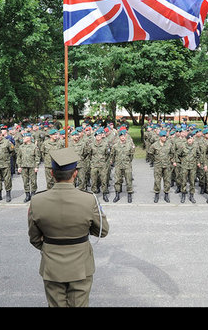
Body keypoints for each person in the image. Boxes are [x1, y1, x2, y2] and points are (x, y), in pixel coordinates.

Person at [27, 147, 109, 307]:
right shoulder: (89, 199)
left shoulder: (37, 200)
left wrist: (50, 247)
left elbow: (34, 238)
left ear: (52, 174)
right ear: (75, 173)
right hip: (80, 264)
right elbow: (102, 231)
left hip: (52, 264)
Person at [109, 128, 135, 203]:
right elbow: (112, 155)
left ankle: (129, 194)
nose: (123, 137)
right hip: (118, 165)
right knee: (117, 180)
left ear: (125, 136)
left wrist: (128, 162)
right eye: (121, 136)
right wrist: (112, 161)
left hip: (127, 165)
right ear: (119, 137)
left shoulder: (129, 145)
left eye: (124, 136)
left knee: (128, 180)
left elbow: (131, 155)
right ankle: (117, 194)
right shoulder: (115, 146)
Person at [18, 132, 41, 203]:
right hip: (24, 166)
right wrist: (19, 166)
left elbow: (37, 157)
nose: (23, 139)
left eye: (24, 137)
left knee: (33, 181)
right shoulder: (21, 147)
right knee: (25, 181)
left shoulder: (34, 147)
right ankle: (27, 194)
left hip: (32, 166)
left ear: (29, 138)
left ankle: (33, 193)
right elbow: (19, 157)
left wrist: (36, 166)